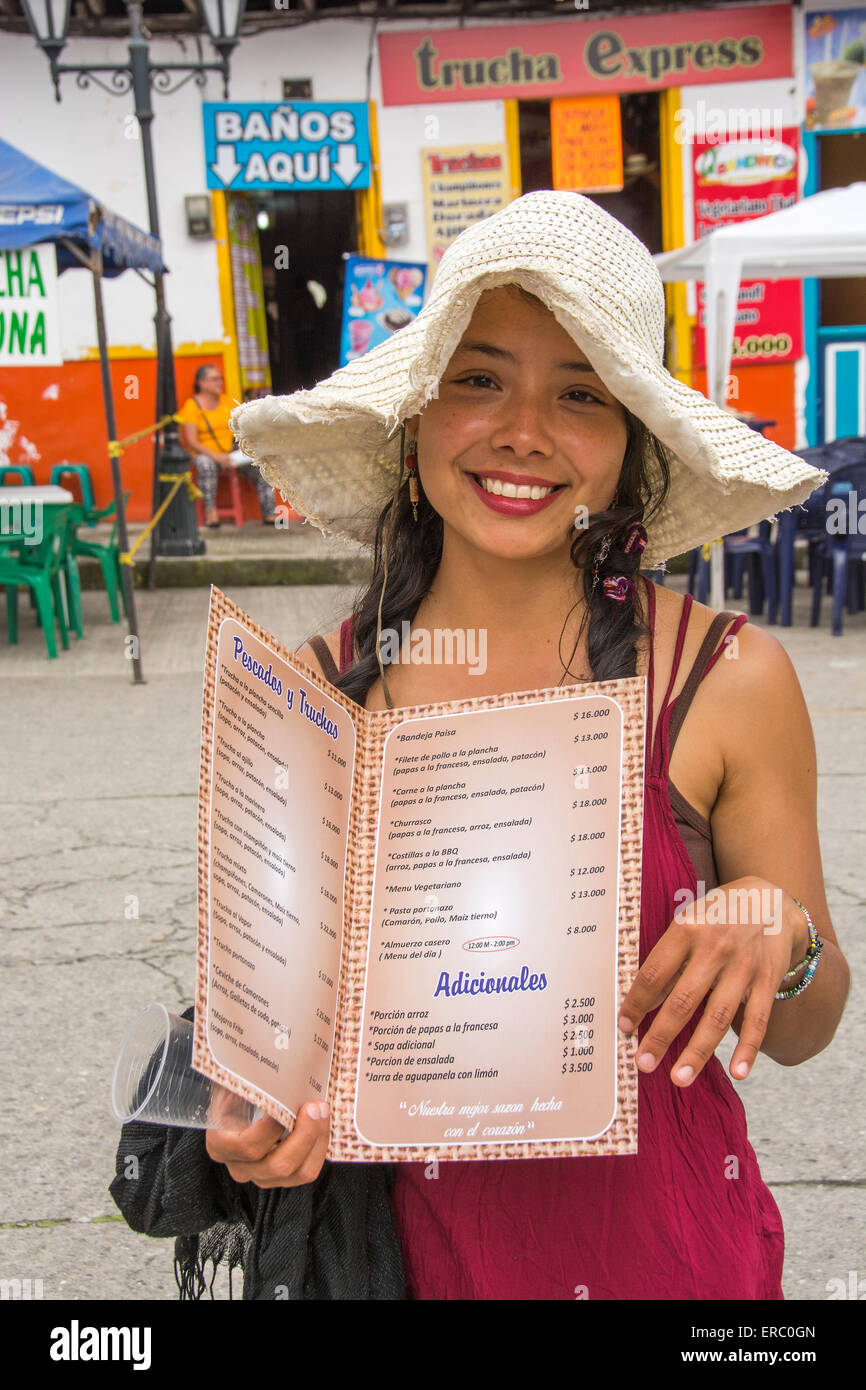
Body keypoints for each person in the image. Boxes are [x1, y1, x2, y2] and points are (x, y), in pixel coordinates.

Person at [113, 191, 849, 1300]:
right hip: (400, 1268)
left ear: (628, 446)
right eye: (477, 378)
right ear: (415, 416)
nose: (521, 432)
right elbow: (270, 1033)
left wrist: (777, 928)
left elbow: (804, 1025)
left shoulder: (728, 679)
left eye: (580, 395)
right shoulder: (311, 695)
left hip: (672, 1267)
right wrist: (249, 1115)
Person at [176, 366, 278, 527]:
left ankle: (269, 513)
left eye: (220, 378)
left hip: (230, 453)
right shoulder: (192, 406)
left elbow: (241, 427)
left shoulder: (228, 401)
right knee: (205, 464)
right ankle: (211, 513)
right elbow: (191, 441)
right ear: (202, 383)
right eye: (214, 379)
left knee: (261, 460)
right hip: (206, 454)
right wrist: (217, 457)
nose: (219, 382)